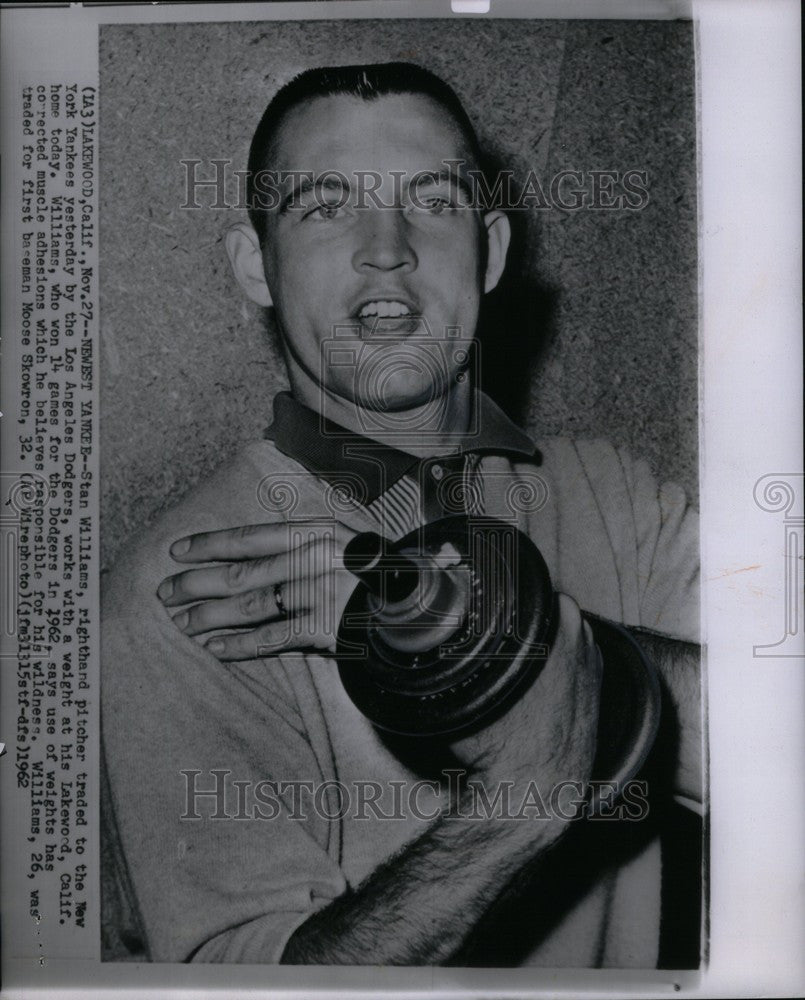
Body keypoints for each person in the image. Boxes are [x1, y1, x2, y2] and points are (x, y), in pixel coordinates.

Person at [101, 62, 701, 967]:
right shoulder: (187, 585)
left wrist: (493, 644)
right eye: (323, 205)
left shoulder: (610, 493)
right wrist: (517, 806)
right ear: (254, 266)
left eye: (432, 199)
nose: (387, 247)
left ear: (491, 251)